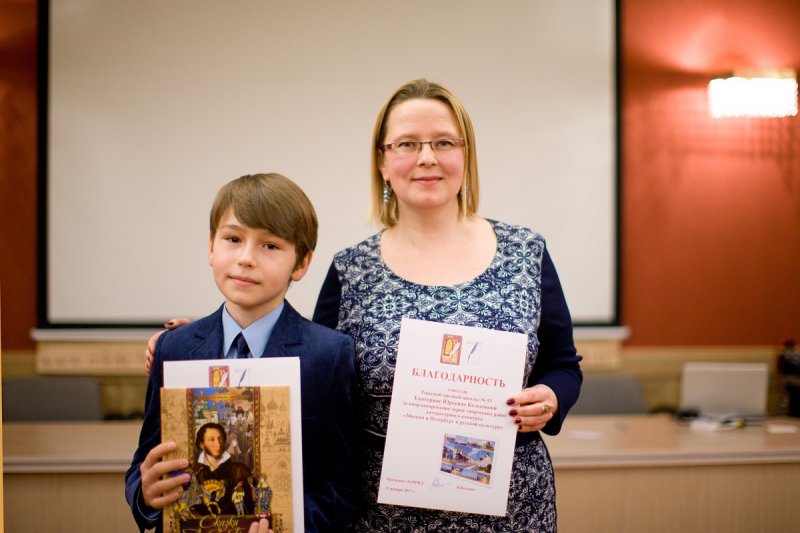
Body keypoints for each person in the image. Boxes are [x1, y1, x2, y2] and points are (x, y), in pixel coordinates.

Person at [311, 79, 583, 531]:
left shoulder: (525, 252)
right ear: (382, 161)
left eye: (443, 142)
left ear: (465, 154)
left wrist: (551, 397)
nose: (427, 157)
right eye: (407, 144)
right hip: (382, 515)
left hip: (512, 510)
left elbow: (563, 365)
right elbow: (318, 382)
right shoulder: (350, 269)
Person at [126, 173, 359, 533]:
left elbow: (342, 488)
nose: (247, 258)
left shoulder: (329, 354)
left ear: (301, 263)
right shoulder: (174, 348)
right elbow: (145, 461)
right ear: (211, 247)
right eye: (233, 239)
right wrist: (145, 496)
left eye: (270, 246)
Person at [191, 423, 253, 516]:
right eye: (212, 440)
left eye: (220, 439)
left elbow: (250, 508)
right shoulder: (195, 473)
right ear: (202, 445)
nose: (218, 444)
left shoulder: (240, 471)